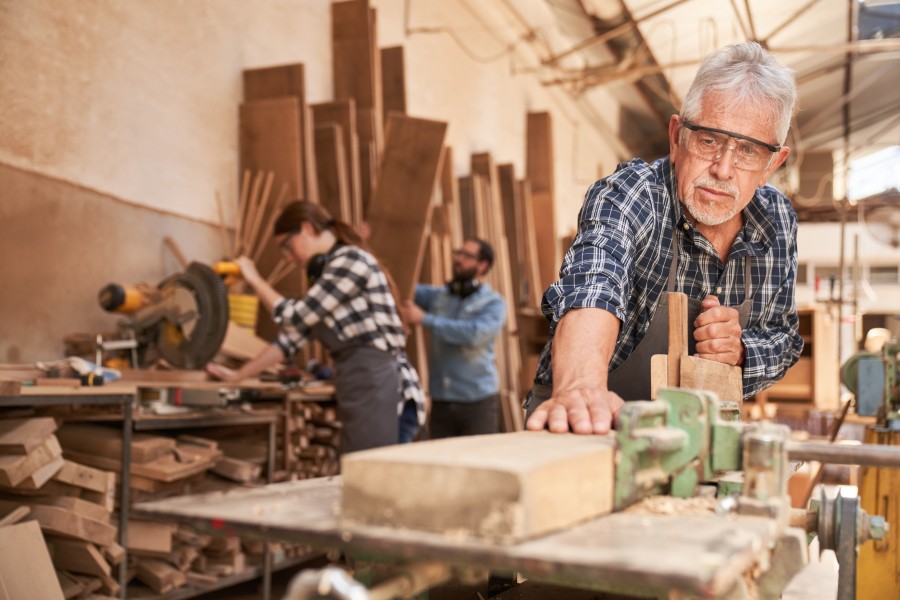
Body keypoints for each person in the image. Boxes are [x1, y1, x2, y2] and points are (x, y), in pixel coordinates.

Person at [525, 41, 804, 435]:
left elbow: (784, 338)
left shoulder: (776, 223)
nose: (723, 169)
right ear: (677, 137)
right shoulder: (631, 195)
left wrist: (741, 352)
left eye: (748, 151)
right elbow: (594, 284)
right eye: (709, 141)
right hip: (588, 423)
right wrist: (581, 388)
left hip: (693, 437)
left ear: (772, 163)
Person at [206, 201, 425, 453]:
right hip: (362, 384)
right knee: (361, 474)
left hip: (381, 387)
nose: (289, 258)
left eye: (287, 247)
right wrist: (239, 375)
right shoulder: (328, 276)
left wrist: (254, 278)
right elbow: (290, 340)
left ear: (307, 228)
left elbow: (292, 317)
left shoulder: (350, 261)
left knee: (373, 480)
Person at [399, 238, 507, 438]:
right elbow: (401, 281)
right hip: (441, 402)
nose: (458, 259)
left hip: (477, 403)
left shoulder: (493, 303)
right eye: (458, 253)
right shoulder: (439, 296)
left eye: (467, 256)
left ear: (482, 265)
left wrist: (425, 319)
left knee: (479, 463)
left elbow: (473, 334)